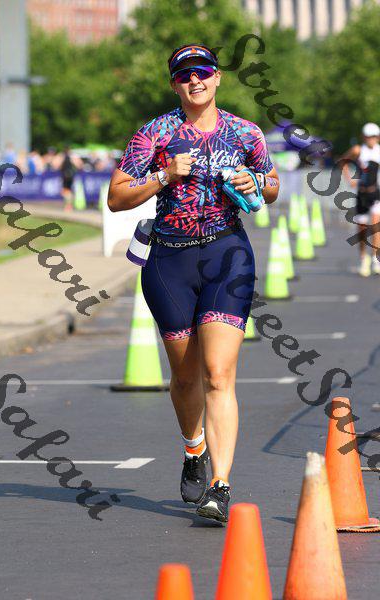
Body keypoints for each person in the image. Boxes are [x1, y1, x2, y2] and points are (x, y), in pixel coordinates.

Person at [108, 44, 279, 523]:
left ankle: (220, 486)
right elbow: (116, 197)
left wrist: (254, 184)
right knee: (185, 377)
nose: (195, 81)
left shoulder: (245, 132)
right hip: (169, 261)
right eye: (184, 76)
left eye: (202, 72)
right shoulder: (155, 133)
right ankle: (193, 448)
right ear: (174, 85)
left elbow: (272, 185)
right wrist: (163, 176)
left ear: (218, 77)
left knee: (219, 374)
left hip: (227, 255)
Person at [340, 123, 380, 277]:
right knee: (362, 228)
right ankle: (364, 259)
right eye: (368, 137)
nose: (371, 139)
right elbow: (343, 161)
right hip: (362, 194)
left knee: (376, 225)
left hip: (375, 193)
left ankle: (376, 259)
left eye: (374, 136)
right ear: (364, 137)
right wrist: (349, 179)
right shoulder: (358, 150)